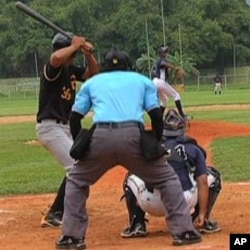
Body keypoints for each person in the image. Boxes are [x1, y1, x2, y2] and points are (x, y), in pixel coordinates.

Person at [55, 46, 202, 249]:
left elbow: (75, 117)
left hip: (101, 137)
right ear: (129, 65)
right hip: (133, 135)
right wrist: (156, 142)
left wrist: (81, 141)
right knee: (167, 178)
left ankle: (72, 237)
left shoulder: (92, 82)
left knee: (77, 181)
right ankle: (183, 232)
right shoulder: (141, 81)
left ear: (105, 67)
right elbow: (156, 115)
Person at [121, 109, 222, 238]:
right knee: (212, 175)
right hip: (183, 202)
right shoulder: (192, 148)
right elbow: (202, 181)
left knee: (130, 176)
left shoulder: (150, 146)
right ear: (183, 127)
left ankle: (137, 224)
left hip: (152, 203)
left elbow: (137, 168)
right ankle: (200, 219)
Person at [36, 32, 99, 228]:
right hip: (50, 126)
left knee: (82, 164)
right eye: (71, 54)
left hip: (64, 127)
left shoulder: (70, 68)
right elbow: (55, 58)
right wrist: (75, 45)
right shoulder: (53, 67)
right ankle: (56, 213)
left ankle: (61, 208)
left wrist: (87, 53)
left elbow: (94, 74)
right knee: (75, 167)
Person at [151, 46, 185, 117]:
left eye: (166, 51)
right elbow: (163, 64)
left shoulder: (157, 61)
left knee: (164, 100)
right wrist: (174, 67)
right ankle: (182, 115)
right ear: (161, 53)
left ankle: (159, 119)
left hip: (154, 83)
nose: (166, 53)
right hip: (160, 82)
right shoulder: (162, 60)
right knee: (176, 95)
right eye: (164, 52)